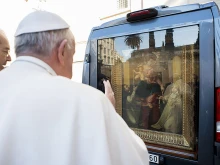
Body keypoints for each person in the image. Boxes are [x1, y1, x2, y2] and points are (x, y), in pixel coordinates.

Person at [0, 11, 149, 165]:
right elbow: (136, 159)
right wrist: (110, 112)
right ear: (62, 51)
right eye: (72, 55)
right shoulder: (89, 101)